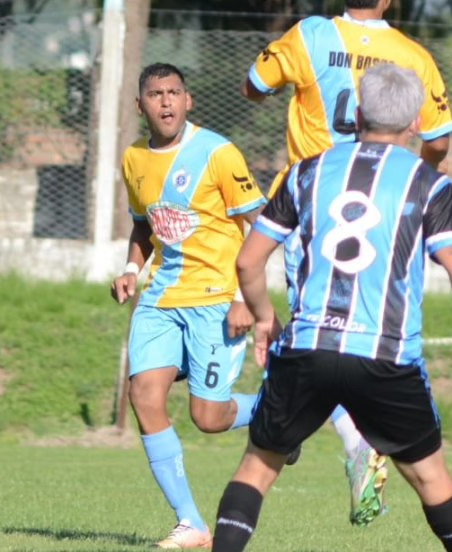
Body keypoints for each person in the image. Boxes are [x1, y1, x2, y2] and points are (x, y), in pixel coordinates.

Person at [210, 63, 452, 552]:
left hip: (307, 348)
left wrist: (263, 318)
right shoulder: (429, 183)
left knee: (257, 467)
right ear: (413, 124)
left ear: (358, 114)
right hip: (384, 356)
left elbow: (248, 261)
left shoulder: (306, 172)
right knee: (432, 479)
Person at [242, 0, 452, 524]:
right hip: (385, 205)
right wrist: (414, 179)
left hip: (310, 207)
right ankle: (365, 432)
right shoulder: (411, 53)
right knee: (370, 328)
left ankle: (344, 435)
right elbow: (438, 137)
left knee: (315, 329)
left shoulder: (306, 35)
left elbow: (252, 86)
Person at [110, 62, 269, 550]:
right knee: (144, 395)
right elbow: (145, 225)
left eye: (174, 92)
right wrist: (132, 271)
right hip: (160, 297)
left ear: (188, 100)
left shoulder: (217, 152)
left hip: (217, 298)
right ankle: (191, 523)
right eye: (155, 94)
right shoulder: (134, 158)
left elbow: (259, 227)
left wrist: (246, 297)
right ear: (141, 106)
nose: (165, 102)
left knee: (209, 416)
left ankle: (278, 413)